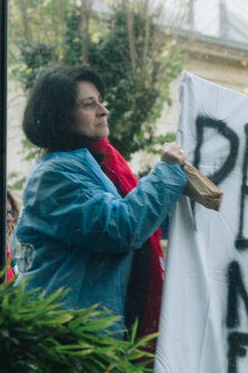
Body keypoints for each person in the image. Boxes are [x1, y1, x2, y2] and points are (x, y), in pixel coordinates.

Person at [11, 64, 205, 351]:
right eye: (89, 105)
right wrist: (166, 172)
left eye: (100, 101)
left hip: (91, 340)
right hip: (67, 346)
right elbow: (122, 227)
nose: (104, 111)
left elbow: (145, 224)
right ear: (60, 116)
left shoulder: (95, 165)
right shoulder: (54, 177)